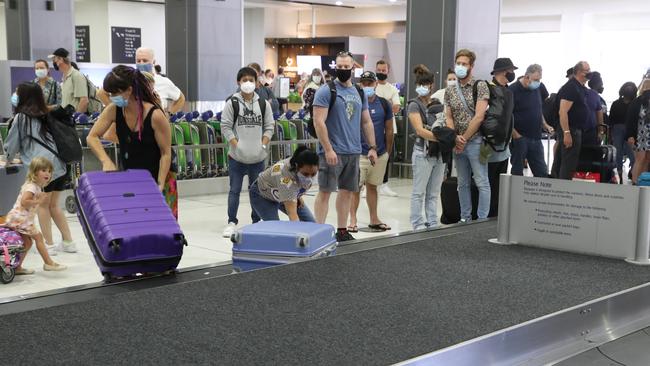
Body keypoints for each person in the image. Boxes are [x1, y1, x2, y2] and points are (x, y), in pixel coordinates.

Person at [86, 65, 177, 219]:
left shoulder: (155, 116)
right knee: (135, 222)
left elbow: (165, 153)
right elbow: (92, 137)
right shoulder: (114, 110)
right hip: (131, 176)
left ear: (129, 90)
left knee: (163, 226)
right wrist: (106, 161)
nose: (112, 97)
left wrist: (160, 184)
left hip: (159, 174)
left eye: (115, 93)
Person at [4, 82, 77, 254]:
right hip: (59, 164)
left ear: (23, 97)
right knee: (54, 205)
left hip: (41, 167)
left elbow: (12, 144)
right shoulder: (48, 112)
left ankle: (49, 244)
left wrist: (7, 158)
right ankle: (68, 242)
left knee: (42, 206)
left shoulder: (22, 117)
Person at [312, 51, 378, 242]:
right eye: (339, 67)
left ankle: (342, 230)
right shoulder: (326, 90)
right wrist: (328, 149)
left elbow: (366, 122)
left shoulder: (358, 92)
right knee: (325, 191)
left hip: (353, 151)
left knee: (347, 191)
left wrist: (372, 147)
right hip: (333, 152)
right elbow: (319, 122)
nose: (342, 70)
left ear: (352, 68)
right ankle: (319, 232)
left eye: (345, 67)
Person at [220, 66, 275, 237]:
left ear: (257, 83)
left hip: (258, 158)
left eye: (251, 80)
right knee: (234, 190)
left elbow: (269, 126)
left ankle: (256, 221)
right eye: (245, 80)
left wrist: (263, 145)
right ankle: (231, 222)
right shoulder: (233, 103)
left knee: (257, 192)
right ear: (239, 82)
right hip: (236, 158)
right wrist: (236, 144)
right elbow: (225, 126)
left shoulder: (263, 104)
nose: (248, 83)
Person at [444, 49, 490, 221]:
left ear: (471, 66)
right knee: (462, 183)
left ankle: (482, 219)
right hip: (458, 143)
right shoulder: (450, 90)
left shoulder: (481, 85)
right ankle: (465, 218)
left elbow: (479, 116)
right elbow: (449, 116)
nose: (460, 67)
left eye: (464, 64)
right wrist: (455, 137)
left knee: (481, 181)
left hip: (478, 142)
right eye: (458, 63)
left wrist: (464, 138)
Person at [2, 157, 67, 273]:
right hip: (21, 219)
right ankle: (49, 263)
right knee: (39, 238)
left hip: (19, 218)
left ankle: (17, 267)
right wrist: (38, 201)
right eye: (43, 170)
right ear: (34, 172)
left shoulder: (35, 186)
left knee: (27, 243)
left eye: (49, 171)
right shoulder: (32, 187)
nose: (47, 173)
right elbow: (24, 202)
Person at [349, 71, 393, 232]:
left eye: (370, 83)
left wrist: (387, 152)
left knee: (373, 187)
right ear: (361, 85)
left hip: (380, 153)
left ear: (375, 84)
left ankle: (374, 218)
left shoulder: (384, 104)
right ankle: (352, 220)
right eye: (364, 83)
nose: (367, 86)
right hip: (359, 153)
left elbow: (389, 130)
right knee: (356, 188)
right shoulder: (355, 103)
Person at [407, 66, 447, 230]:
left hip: (438, 154)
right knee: (419, 192)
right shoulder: (414, 105)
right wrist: (443, 138)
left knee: (433, 191)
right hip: (422, 153)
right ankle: (417, 222)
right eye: (420, 84)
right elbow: (419, 130)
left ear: (431, 85)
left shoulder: (438, 104)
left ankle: (432, 220)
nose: (423, 87)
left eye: (426, 84)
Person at [250, 146, 318, 222]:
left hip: (281, 192)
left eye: (313, 174)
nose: (309, 178)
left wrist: (298, 196)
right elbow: (292, 215)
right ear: (296, 166)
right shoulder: (285, 176)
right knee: (276, 229)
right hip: (263, 195)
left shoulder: (303, 164)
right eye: (306, 174)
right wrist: (299, 233)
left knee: (311, 223)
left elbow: (295, 186)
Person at [509, 64, 554, 177]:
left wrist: (545, 124)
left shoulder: (539, 87)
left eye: (539, 79)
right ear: (526, 77)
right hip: (520, 138)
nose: (538, 82)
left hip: (536, 137)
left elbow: (538, 108)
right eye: (536, 79)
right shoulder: (512, 90)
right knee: (517, 173)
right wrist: (515, 134)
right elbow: (507, 115)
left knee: (542, 173)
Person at [486, 58, 516, 217]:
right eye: (510, 71)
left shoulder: (508, 91)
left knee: (499, 183)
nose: (512, 74)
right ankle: (486, 213)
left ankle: (496, 213)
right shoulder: (488, 89)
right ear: (503, 71)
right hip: (487, 145)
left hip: (504, 146)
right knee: (487, 182)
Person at [552, 61, 593, 180]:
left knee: (562, 160)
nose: (590, 73)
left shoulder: (579, 87)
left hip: (574, 130)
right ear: (580, 72)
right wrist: (567, 133)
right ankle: (564, 189)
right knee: (569, 163)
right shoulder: (571, 87)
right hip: (571, 130)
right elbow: (563, 111)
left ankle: (558, 184)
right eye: (587, 71)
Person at [374, 60, 401, 197]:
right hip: (372, 128)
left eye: (383, 70)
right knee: (369, 155)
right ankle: (368, 186)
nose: (381, 72)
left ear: (388, 71)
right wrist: (387, 104)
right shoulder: (371, 86)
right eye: (379, 70)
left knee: (386, 156)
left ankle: (384, 184)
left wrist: (381, 106)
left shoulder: (393, 89)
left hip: (389, 128)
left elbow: (396, 108)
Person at [135, 47, 186, 114]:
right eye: (138, 61)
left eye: (145, 61)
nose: (141, 64)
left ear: (153, 62)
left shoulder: (163, 82)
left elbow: (181, 98)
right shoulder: (130, 80)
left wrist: (169, 114)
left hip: (156, 122)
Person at [609, 82, 638, 182]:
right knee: (618, 153)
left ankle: (633, 173)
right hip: (617, 129)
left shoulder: (635, 104)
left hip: (631, 131)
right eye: (627, 87)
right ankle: (619, 175)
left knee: (633, 154)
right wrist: (611, 134)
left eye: (631, 88)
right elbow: (611, 119)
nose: (629, 89)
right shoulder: (616, 103)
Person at [48, 48, 89, 114]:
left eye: (54, 59)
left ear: (60, 59)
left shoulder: (76, 75)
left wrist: (75, 119)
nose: (53, 62)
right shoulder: (64, 78)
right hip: (65, 119)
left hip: (72, 120)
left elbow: (84, 101)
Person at [626, 79, 650, 184]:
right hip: (641, 134)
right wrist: (630, 135)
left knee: (646, 159)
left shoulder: (637, 101)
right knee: (641, 159)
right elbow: (630, 119)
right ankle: (635, 181)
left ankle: (642, 181)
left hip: (645, 134)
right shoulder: (637, 102)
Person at [583, 71, 605, 146]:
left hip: (581, 131)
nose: (602, 87)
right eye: (601, 84)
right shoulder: (595, 96)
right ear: (597, 84)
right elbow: (600, 116)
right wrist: (601, 131)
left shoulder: (583, 92)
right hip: (591, 132)